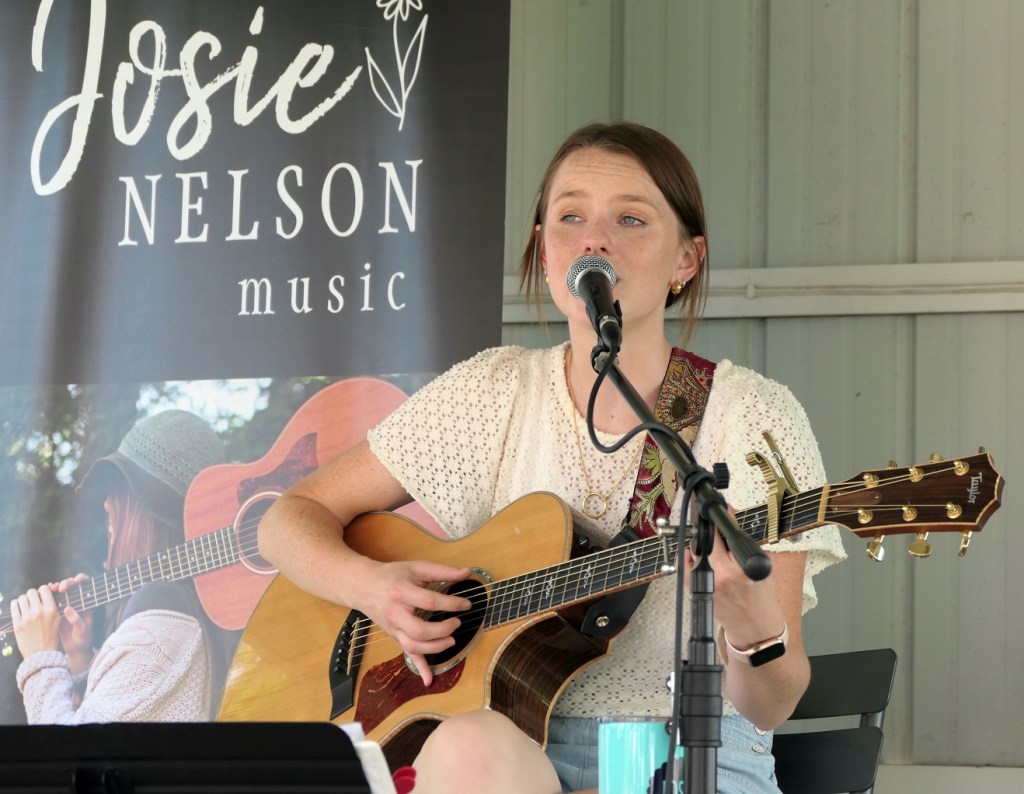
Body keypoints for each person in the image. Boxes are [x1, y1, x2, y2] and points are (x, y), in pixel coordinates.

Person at [257, 122, 847, 793]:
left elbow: (771, 705)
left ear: (686, 260)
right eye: (571, 217)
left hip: (684, 753)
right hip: (506, 747)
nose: (595, 240)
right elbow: (287, 520)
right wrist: (373, 590)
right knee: (467, 746)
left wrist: (753, 630)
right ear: (545, 252)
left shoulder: (753, 415)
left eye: (630, 218)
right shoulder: (491, 391)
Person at [11, 409, 229, 723]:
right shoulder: (183, 608)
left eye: (118, 488)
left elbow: (74, 748)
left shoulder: (161, 613)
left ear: (147, 509)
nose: (106, 503)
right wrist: (79, 657)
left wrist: (41, 659)